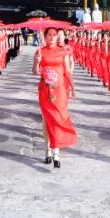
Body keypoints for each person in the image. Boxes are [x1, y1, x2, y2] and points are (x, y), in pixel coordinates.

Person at [33, 28, 77, 168]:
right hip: (45, 89)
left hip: (60, 90)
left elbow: (68, 71)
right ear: (45, 37)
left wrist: (73, 86)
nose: (52, 37)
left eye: (54, 35)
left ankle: (56, 150)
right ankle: (48, 151)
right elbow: (34, 72)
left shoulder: (62, 51)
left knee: (58, 118)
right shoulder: (40, 51)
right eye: (49, 35)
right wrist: (36, 62)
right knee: (47, 120)